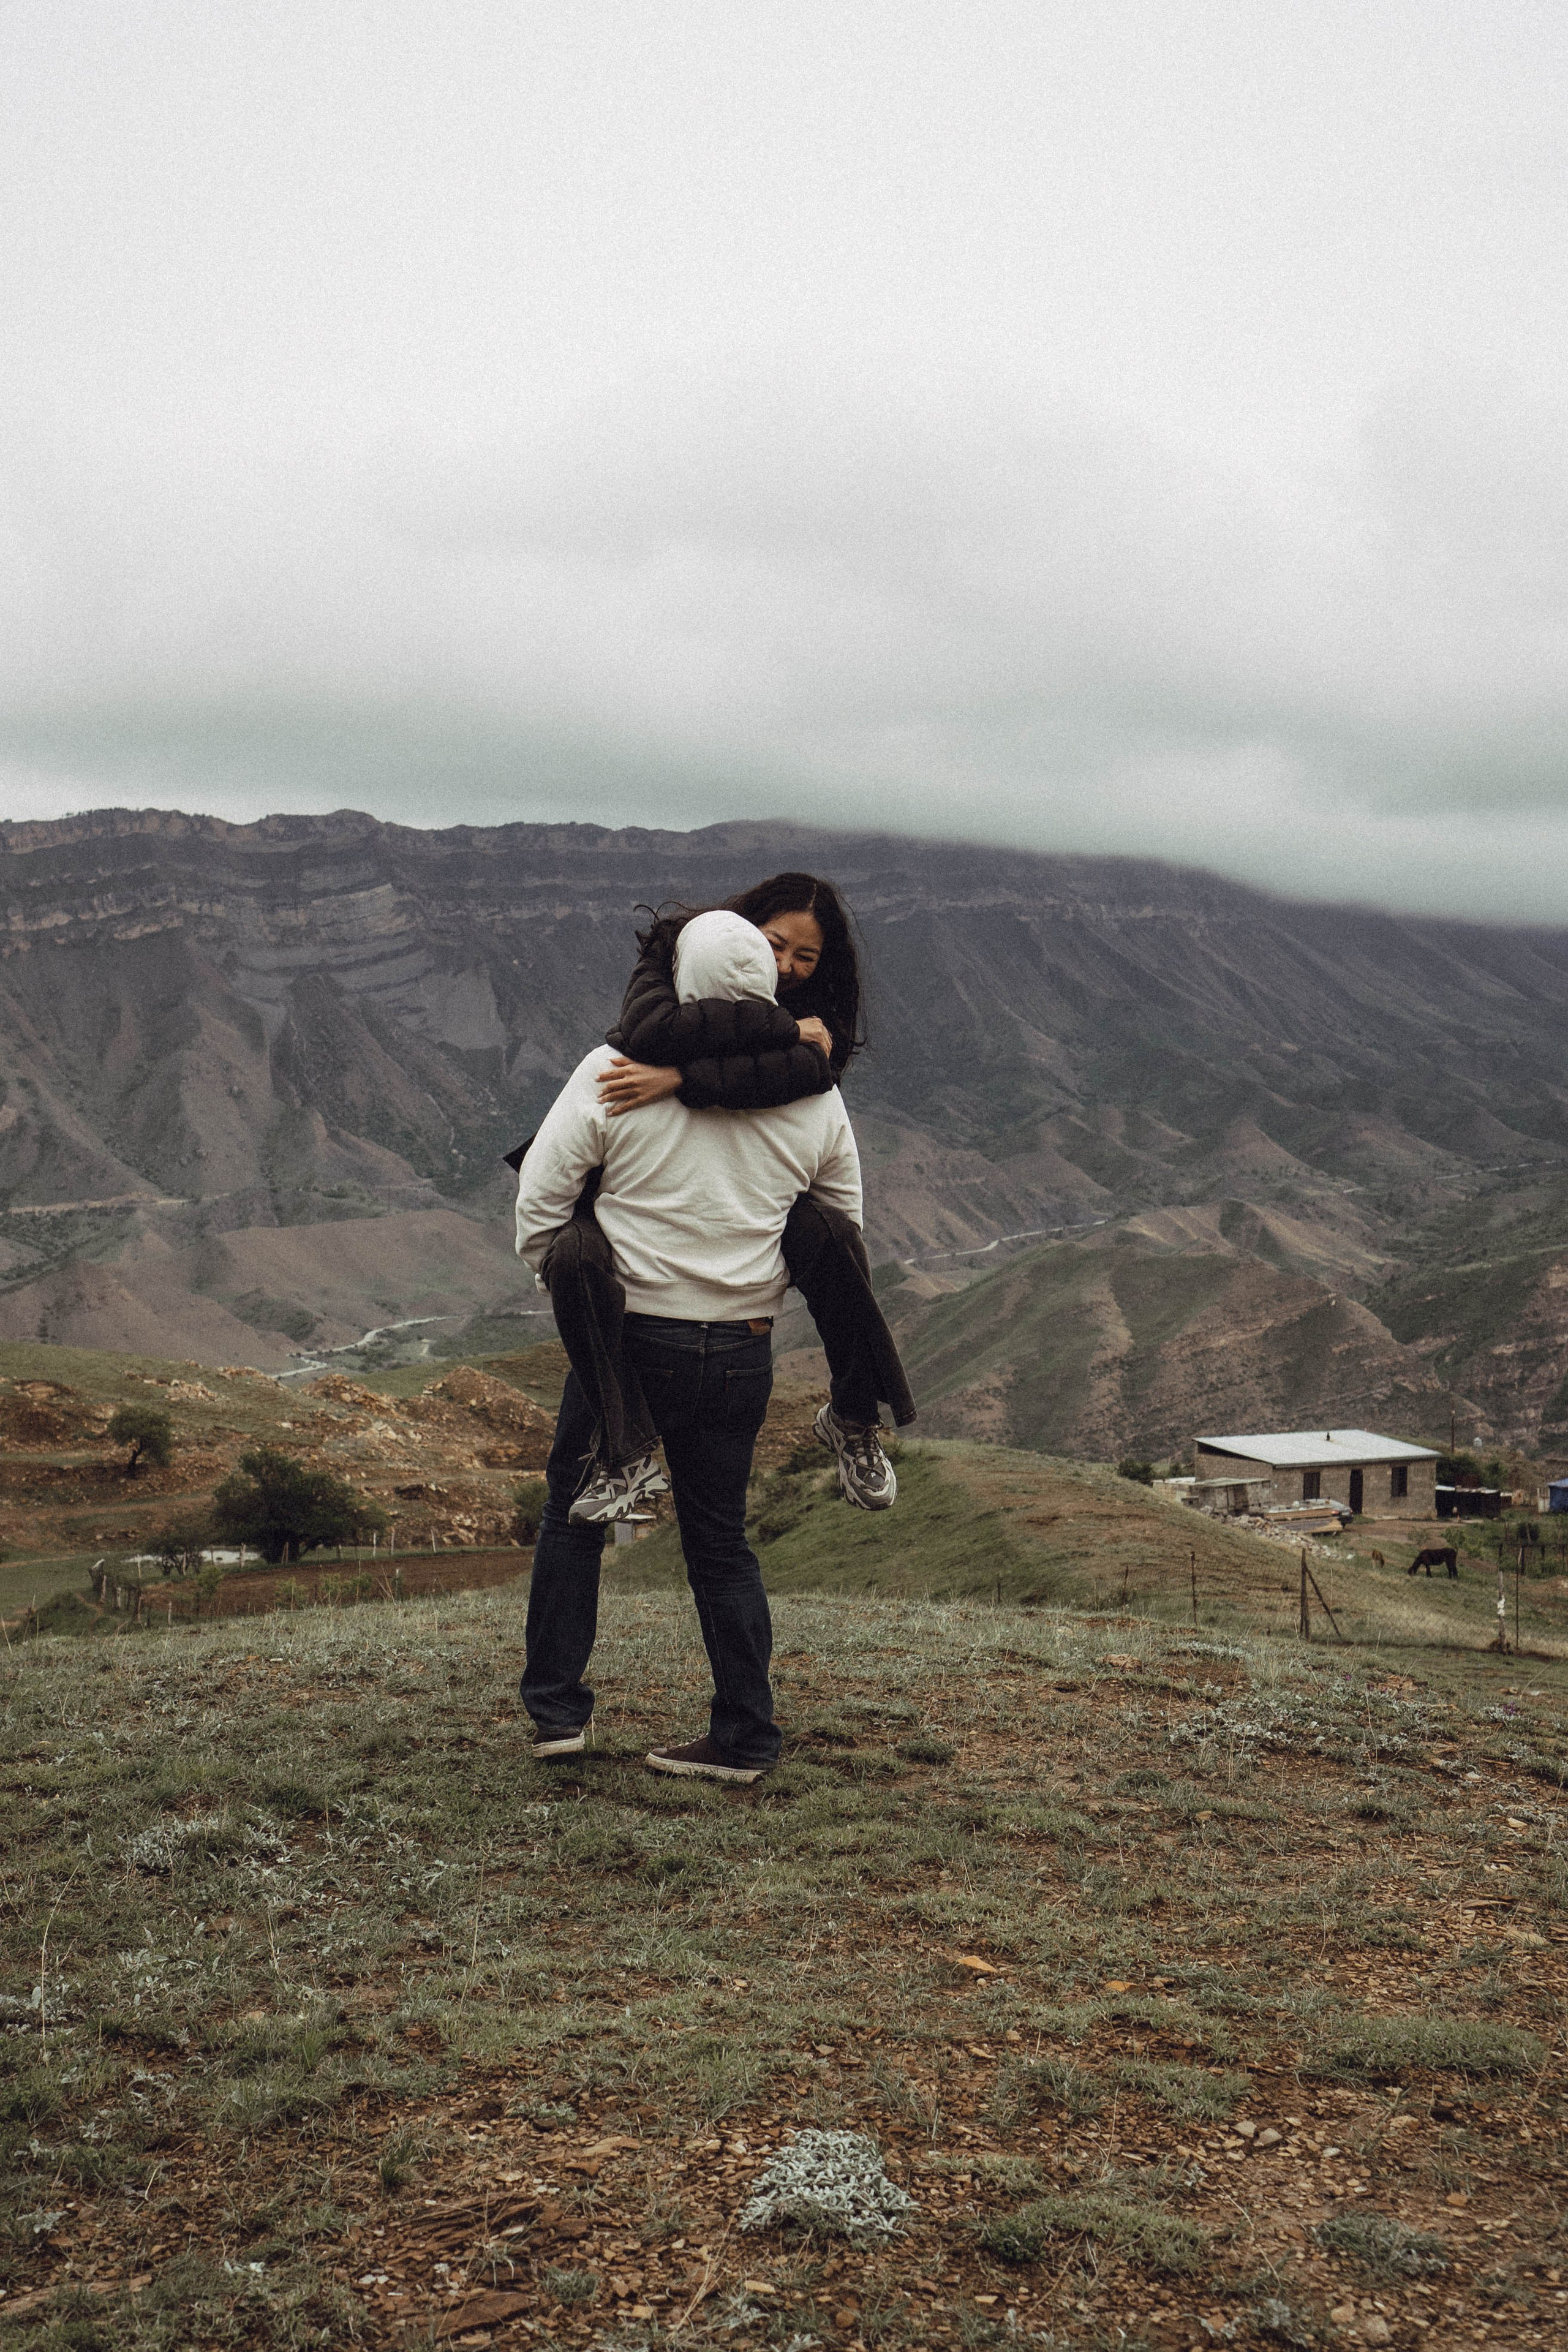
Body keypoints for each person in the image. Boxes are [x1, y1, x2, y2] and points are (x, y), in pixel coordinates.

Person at [513, 910, 865, 1782]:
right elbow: (838, 1224)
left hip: (628, 1343)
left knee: (573, 1517)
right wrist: (757, 1282)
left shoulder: (614, 1071)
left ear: (680, 981)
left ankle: (557, 1715)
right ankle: (744, 1737)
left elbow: (541, 1206)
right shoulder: (813, 1093)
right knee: (719, 1543)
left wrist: (574, 1294)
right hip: (741, 1348)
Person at [508, 872, 914, 1528]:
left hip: (685, 1320)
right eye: (773, 945)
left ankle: (852, 1414)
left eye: (806, 957)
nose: (784, 968)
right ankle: (633, 1456)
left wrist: (679, 1080)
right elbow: (654, 1030)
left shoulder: (807, 1066)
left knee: (834, 1236)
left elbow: (809, 1096)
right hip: (699, 1328)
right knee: (716, 1536)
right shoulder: (669, 976)